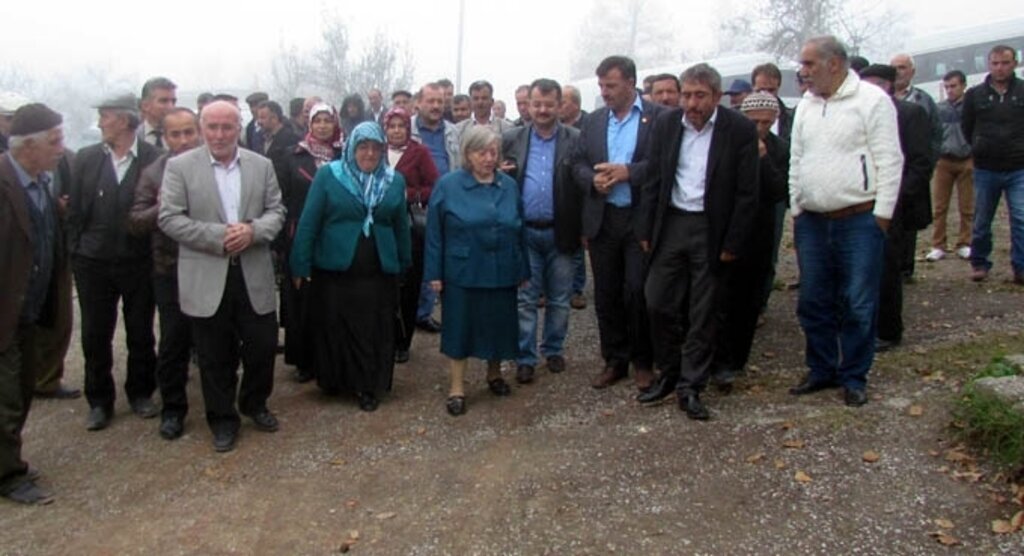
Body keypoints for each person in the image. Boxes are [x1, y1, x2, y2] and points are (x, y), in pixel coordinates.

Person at [158, 100, 285, 452]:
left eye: (226, 127)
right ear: (202, 129)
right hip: (207, 273)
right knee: (215, 354)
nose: (219, 134)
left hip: (253, 270)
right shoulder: (180, 167)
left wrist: (253, 231)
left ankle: (254, 403)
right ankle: (222, 419)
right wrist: (218, 237)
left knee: (261, 346)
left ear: (238, 128)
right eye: (211, 127)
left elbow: (277, 210)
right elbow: (169, 217)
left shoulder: (262, 165)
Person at [636, 64, 759, 420]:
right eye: (687, 95)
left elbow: (747, 193)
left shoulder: (738, 130)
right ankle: (669, 373)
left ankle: (691, 386)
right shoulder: (666, 124)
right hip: (671, 223)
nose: (691, 103)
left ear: (717, 97)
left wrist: (733, 241)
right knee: (657, 301)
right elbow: (654, 179)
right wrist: (645, 229)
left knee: (702, 312)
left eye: (700, 96)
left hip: (711, 227)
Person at [787, 36, 903, 407]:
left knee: (857, 301)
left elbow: (890, 159)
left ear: (834, 63)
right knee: (813, 300)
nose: (802, 72)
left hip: (859, 220)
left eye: (808, 64)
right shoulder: (806, 104)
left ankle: (854, 375)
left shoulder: (872, 101)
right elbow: (797, 158)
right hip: (813, 221)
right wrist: (797, 206)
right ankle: (821, 368)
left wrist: (881, 216)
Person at [290, 122, 411, 411]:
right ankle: (334, 380)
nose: (369, 153)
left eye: (376, 147)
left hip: (377, 273)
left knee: (372, 330)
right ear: (351, 148)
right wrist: (300, 264)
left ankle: (368, 385)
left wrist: (404, 263)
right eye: (362, 147)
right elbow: (309, 222)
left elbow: (400, 226)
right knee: (334, 327)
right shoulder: (329, 176)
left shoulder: (394, 180)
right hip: (334, 272)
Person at [69, 93, 161, 431]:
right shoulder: (85, 159)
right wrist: (77, 249)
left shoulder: (154, 158)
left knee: (140, 331)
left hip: (138, 261)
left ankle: (140, 392)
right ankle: (99, 401)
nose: (99, 122)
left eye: (105, 116)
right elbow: (75, 211)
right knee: (95, 333)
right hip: (92, 262)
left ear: (123, 120)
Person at [571, 55, 663, 391]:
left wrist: (629, 173)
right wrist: (591, 181)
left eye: (610, 85)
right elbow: (577, 163)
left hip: (639, 220)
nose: (605, 92)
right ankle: (614, 359)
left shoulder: (657, 118)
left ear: (630, 82)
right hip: (603, 219)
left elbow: (664, 164)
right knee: (606, 294)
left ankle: (643, 361)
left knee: (637, 291)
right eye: (601, 86)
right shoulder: (594, 121)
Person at [424, 126, 528, 416]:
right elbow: (434, 233)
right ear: (467, 154)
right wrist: (434, 273)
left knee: (499, 324)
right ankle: (457, 387)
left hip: (502, 267)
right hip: (463, 270)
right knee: (460, 327)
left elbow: (520, 227)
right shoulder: (448, 185)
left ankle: (494, 374)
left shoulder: (508, 185)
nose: (488, 157)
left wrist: (523, 268)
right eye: (481, 151)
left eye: (493, 151)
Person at [0, 103, 66, 505]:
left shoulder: (41, 181)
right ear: (28, 146)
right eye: (55, 142)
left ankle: (10, 461)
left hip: (31, 309)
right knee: (5, 396)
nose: (62, 149)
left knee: (22, 389)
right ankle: (8, 476)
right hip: (5, 312)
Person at [706, 92, 789, 393]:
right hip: (727, 229)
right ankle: (715, 358)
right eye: (754, 121)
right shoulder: (726, 141)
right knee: (720, 298)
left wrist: (764, 158)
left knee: (749, 300)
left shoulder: (778, 148)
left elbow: (780, 190)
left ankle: (735, 361)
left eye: (766, 122)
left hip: (760, 232)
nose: (760, 128)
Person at [501, 79, 581, 384]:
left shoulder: (576, 139)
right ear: (528, 105)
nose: (543, 110)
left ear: (559, 105)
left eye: (549, 104)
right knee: (525, 299)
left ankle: (553, 349)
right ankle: (525, 357)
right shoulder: (512, 138)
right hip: (525, 232)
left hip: (562, 230)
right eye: (537, 104)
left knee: (560, 299)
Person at [129, 107, 202, 440]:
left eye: (189, 132)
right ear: (165, 137)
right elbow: (136, 220)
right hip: (169, 268)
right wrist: (166, 204)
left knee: (217, 338)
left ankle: (223, 403)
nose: (184, 140)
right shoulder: (154, 172)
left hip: (211, 264)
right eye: (176, 134)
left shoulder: (217, 165)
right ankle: (173, 409)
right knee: (174, 340)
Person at [859, 64, 934, 353]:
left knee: (888, 268)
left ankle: (889, 329)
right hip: (862, 201)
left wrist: (895, 197)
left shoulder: (909, 114)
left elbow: (920, 163)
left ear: (890, 85)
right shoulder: (861, 114)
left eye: (878, 84)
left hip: (895, 204)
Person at [279, 103, 344, 384]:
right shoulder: (293, 155)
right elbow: (280, 197)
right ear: (309, 124)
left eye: (327, 120)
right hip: (299, 233)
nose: (322, 126)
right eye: (317, 121)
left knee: (330, 297)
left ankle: (329, 355)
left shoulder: (346, 154)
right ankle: (303, 359)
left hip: (335, 234)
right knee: (301, 296)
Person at [962, 45, 1024, 285]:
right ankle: (979, 262)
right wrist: (979, 147)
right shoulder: (975, 95)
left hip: (1019, 167)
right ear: (989, 65)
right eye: (995, 63)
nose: (1000, 68)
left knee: (1020, 218)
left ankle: (1020, 266)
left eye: (1005, 63)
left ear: (1015, 64)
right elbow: (967, 127)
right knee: (982, 219)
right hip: (986, 167)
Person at [384, 107, 439, 364]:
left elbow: (435, 185)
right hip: (381, 227)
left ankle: (402, 342)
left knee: (408, 284)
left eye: (401, 126)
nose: (396, 131)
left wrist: (411, 194)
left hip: (409, 228)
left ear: (408, 128)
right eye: (392, 126)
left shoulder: (419, 152)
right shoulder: (374, 149)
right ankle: (383, 337)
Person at [410, 83, 461, 332]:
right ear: (418, 102)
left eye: (440, 102)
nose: (435, 106)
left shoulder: (453, 132)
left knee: (436, 259)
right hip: (413, 205)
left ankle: (424, 312)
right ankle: (407, 311)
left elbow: (460, 165)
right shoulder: (405, 128)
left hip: (445, 202)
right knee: (413, 260)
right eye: (430, 101)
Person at [891, 53, 942, 281]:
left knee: (908, 218)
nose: (899, 72)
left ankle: (905, 268)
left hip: (913, 167)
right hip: (890, 167)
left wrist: (927, 166)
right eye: (895, 68)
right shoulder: (881, 99)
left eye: (903, 67)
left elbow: (935, 133)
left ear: (912, 71)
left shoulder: (923, 100)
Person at [926, 70, 974, 263]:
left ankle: (965, 242)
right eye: (947, 87)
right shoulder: (939, 109)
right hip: (944, 160)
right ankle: (938, 244)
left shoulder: (970, 107)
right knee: (939, 206)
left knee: (967, 205)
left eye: (953, 86)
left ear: (963, 86)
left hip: (967, 158)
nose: (950, 90)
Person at [136, 77, 177, 148]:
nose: (171, 107)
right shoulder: (132, 138)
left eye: (173, 101)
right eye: (164, 101)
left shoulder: (184, 138)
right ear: (145, 105)